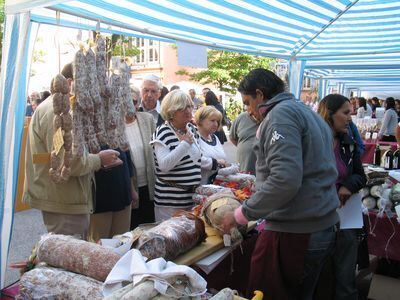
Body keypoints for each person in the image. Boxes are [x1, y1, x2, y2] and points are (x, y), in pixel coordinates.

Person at [221, 69, 339, 299]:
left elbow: (285, 179)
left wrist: (241, 215)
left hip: (297, 230)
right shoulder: (308, 112)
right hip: (318, 224)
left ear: (259, 94)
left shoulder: (280, 116)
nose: (248, 111)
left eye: (247, 103)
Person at [24, 63, 121, 239]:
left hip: (66, 199)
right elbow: (67, 162)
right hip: (64, 202)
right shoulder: (57, 111)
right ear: (70, 82)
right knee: (69, 256)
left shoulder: (64, 110)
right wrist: (99, 160)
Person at [318, 94, 366, 300]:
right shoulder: (312, 143)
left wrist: (347, 187)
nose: (350, 117)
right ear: (329, 114)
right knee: (318, 275)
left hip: (346, 217)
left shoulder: (349, 142)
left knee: (346, 277)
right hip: (317, 219)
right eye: (345, 112)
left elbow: (360, 175)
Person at [150, 90, 202, 221]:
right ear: (171, 111)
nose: (188, 110)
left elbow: (196, 160)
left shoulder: (192, 129)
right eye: (182, 107)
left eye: (189, 106)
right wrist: (184, 144)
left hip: (191, 200)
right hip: (169, 205)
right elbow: (164, 165)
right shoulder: (163, 132)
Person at [126, 88, 156, 229]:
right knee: (133, 228)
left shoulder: (147, 119)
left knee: (150, 226)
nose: (130, 105)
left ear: (138, 103)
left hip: (150, 184)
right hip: (130, 187)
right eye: (126, 101)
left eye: (134, 101)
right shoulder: (114, 126)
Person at [194, 106, 228, 184]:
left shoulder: (215, 137)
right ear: (201, 120)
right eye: (212, 120)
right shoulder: (193, 137)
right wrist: (217, 162)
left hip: (216, 186)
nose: (216, 124)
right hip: (199, 187)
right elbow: (195, 159)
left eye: (218, 121)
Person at [229, 108, 258, 174]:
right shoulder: (241, 117)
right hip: (244, 167)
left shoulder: (269, 117)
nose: (247, 107)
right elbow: (232, 137)